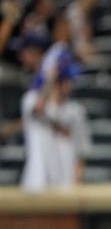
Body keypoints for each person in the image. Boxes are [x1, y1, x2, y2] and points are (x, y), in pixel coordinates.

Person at [20, 52, 91, 192]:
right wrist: (49, 79)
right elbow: (38, 109)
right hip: (36, 181)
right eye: (65, 80)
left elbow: (81, 151)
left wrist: (76, 180)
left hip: (64, 184)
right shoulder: (30, 100)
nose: (69, 84)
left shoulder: (76, 111)